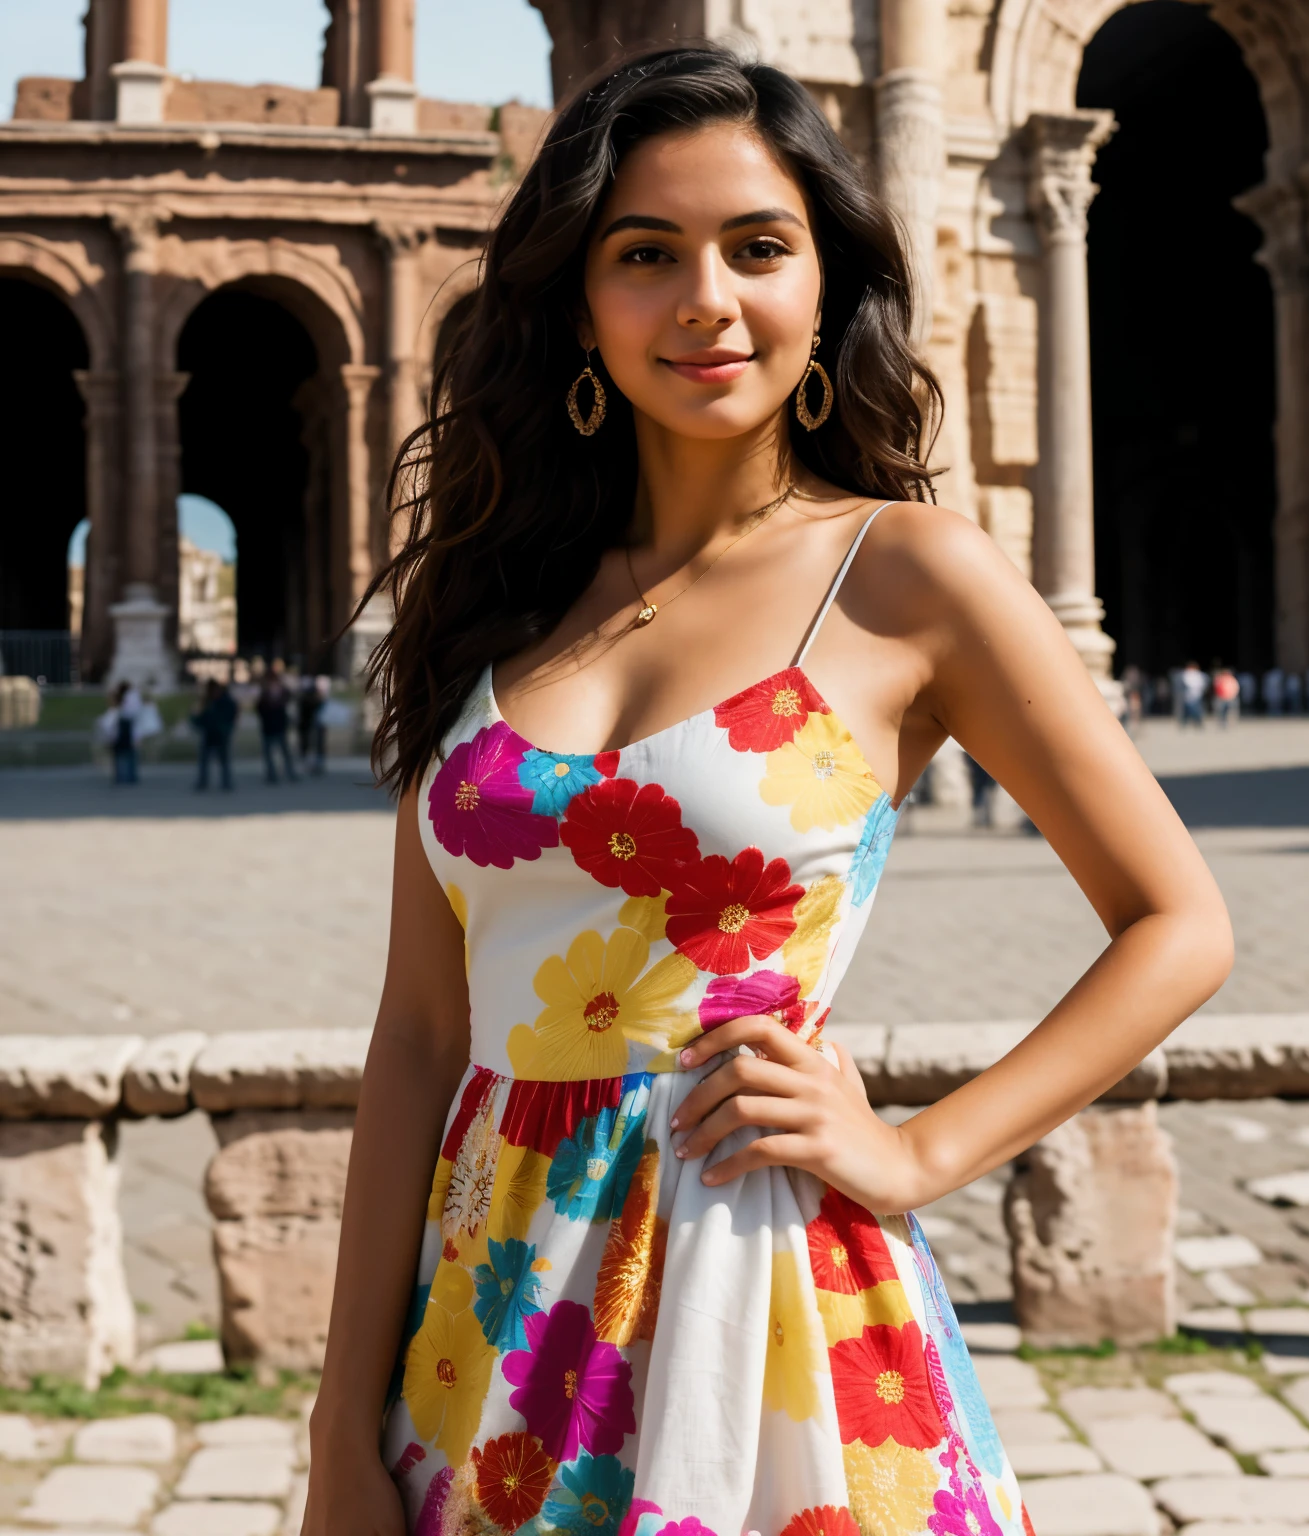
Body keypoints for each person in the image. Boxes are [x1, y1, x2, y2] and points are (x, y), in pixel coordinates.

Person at [302, 48, 1233, 1535]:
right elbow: (418, 1034)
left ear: (827, 280)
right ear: (577, 301)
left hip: (758, 1303)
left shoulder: (911, 576)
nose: (706, 302)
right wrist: (337, 1425)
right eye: (645, 255)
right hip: (480, 1324)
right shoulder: (494, 601)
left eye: (758, 247)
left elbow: (1178, 923)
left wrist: (922, 1149)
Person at [255, 660, 298, 783]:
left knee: (284, 751)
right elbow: (259, 708)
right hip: (269, 726)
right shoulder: (265, 693)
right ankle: (272, 774)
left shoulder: (282, 691)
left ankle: (289, 773)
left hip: (279, 725)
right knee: (270, 753)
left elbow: (289, 697)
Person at [191, 678, 238, 791]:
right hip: (209, 735)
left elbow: (232, 715)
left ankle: (226, 782)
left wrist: (226, 728)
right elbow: (199, 718)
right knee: (204, 761)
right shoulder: (206, 701)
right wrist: (196, 720)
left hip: (221, 735)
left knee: (224, 761)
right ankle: (203, 782)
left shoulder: (226, 701)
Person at [110, 681, 141, 784]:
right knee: (130, 754)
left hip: (122, 728)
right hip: (128, 728)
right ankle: (130, 776)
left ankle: (121, 777)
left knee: (120, 755)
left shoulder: (122, 700)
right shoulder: (133, 696)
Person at [1177, 659, 1209, 727]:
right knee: (1186, 711)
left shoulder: (1200, 675)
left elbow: (1204, 684)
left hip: (1197, 695)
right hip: (1186, 696)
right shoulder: (1184, 675)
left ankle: (1198, 723)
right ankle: (1184, 724)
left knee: (1197, 710)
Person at [1211, 662, 1239, 728]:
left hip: (1230, 698)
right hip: (1221, 698)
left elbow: (1236, 688)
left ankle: (1228, 723)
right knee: (1221, 712)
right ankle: (1222, 723)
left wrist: (1233, 696)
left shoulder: (1232, 679)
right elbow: (1216, 688)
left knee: (1229, 712)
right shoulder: (1219, 679)